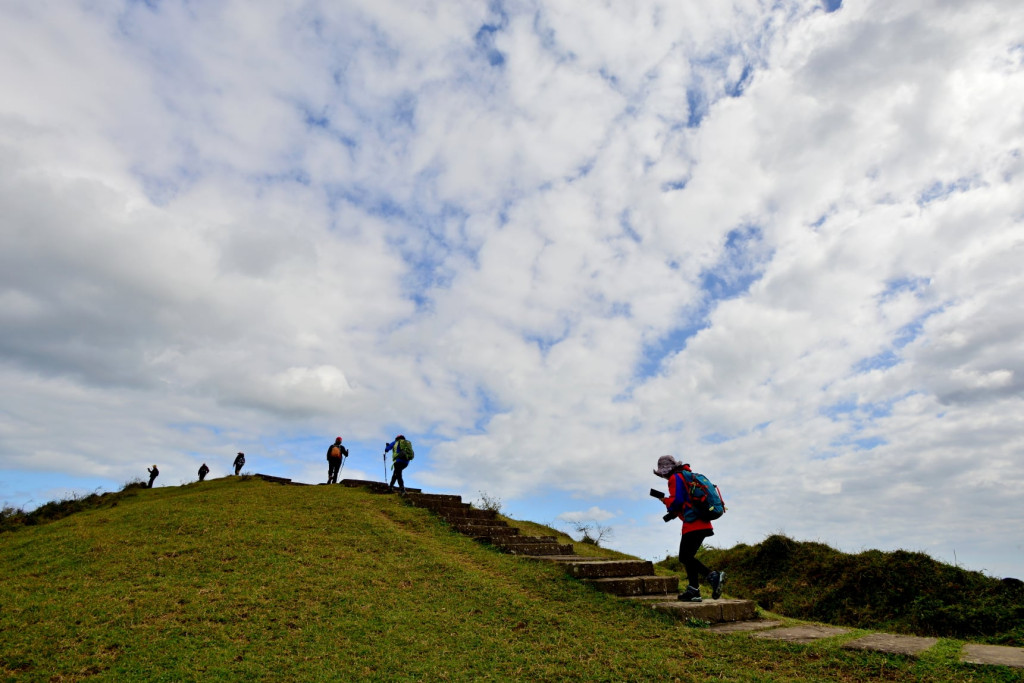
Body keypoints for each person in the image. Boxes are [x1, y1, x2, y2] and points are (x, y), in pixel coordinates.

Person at [653, 455, 725, 602]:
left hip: (693, 524)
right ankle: (694, 591)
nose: (664, 478)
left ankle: (712, 576)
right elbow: (685, 501)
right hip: (703, 522)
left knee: (684, 557)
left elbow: (677, 501)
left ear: (665, 471)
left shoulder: (675, 478)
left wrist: (665, 500)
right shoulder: (687, 476)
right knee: (688, 557)